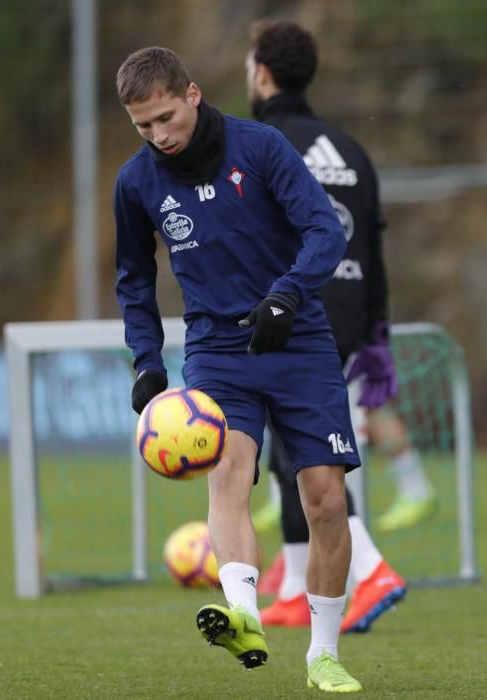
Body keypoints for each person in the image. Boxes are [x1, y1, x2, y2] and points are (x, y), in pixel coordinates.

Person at [115, 46, 363, 692]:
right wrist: (146, 363)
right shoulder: (135, 183)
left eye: (167, 118)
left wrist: (287, 293)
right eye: (144, 127)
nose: (159, 137)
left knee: (327, 501)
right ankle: (244, 616)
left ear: (193, 95)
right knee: (228, 472)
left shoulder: (262, 148)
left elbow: (325, 233)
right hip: (216, 351)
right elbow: (134, 282)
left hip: (299, 337)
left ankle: (324, 654)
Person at [245, 19, 407, 633]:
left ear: (261, 72)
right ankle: (292, 583)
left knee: (305, 455)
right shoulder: (351, 149)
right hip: (351, 312)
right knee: (295, 455)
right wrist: (377, 331)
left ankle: (372, 569)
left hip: (295, 310)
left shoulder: (258, 142)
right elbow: (373, 243)